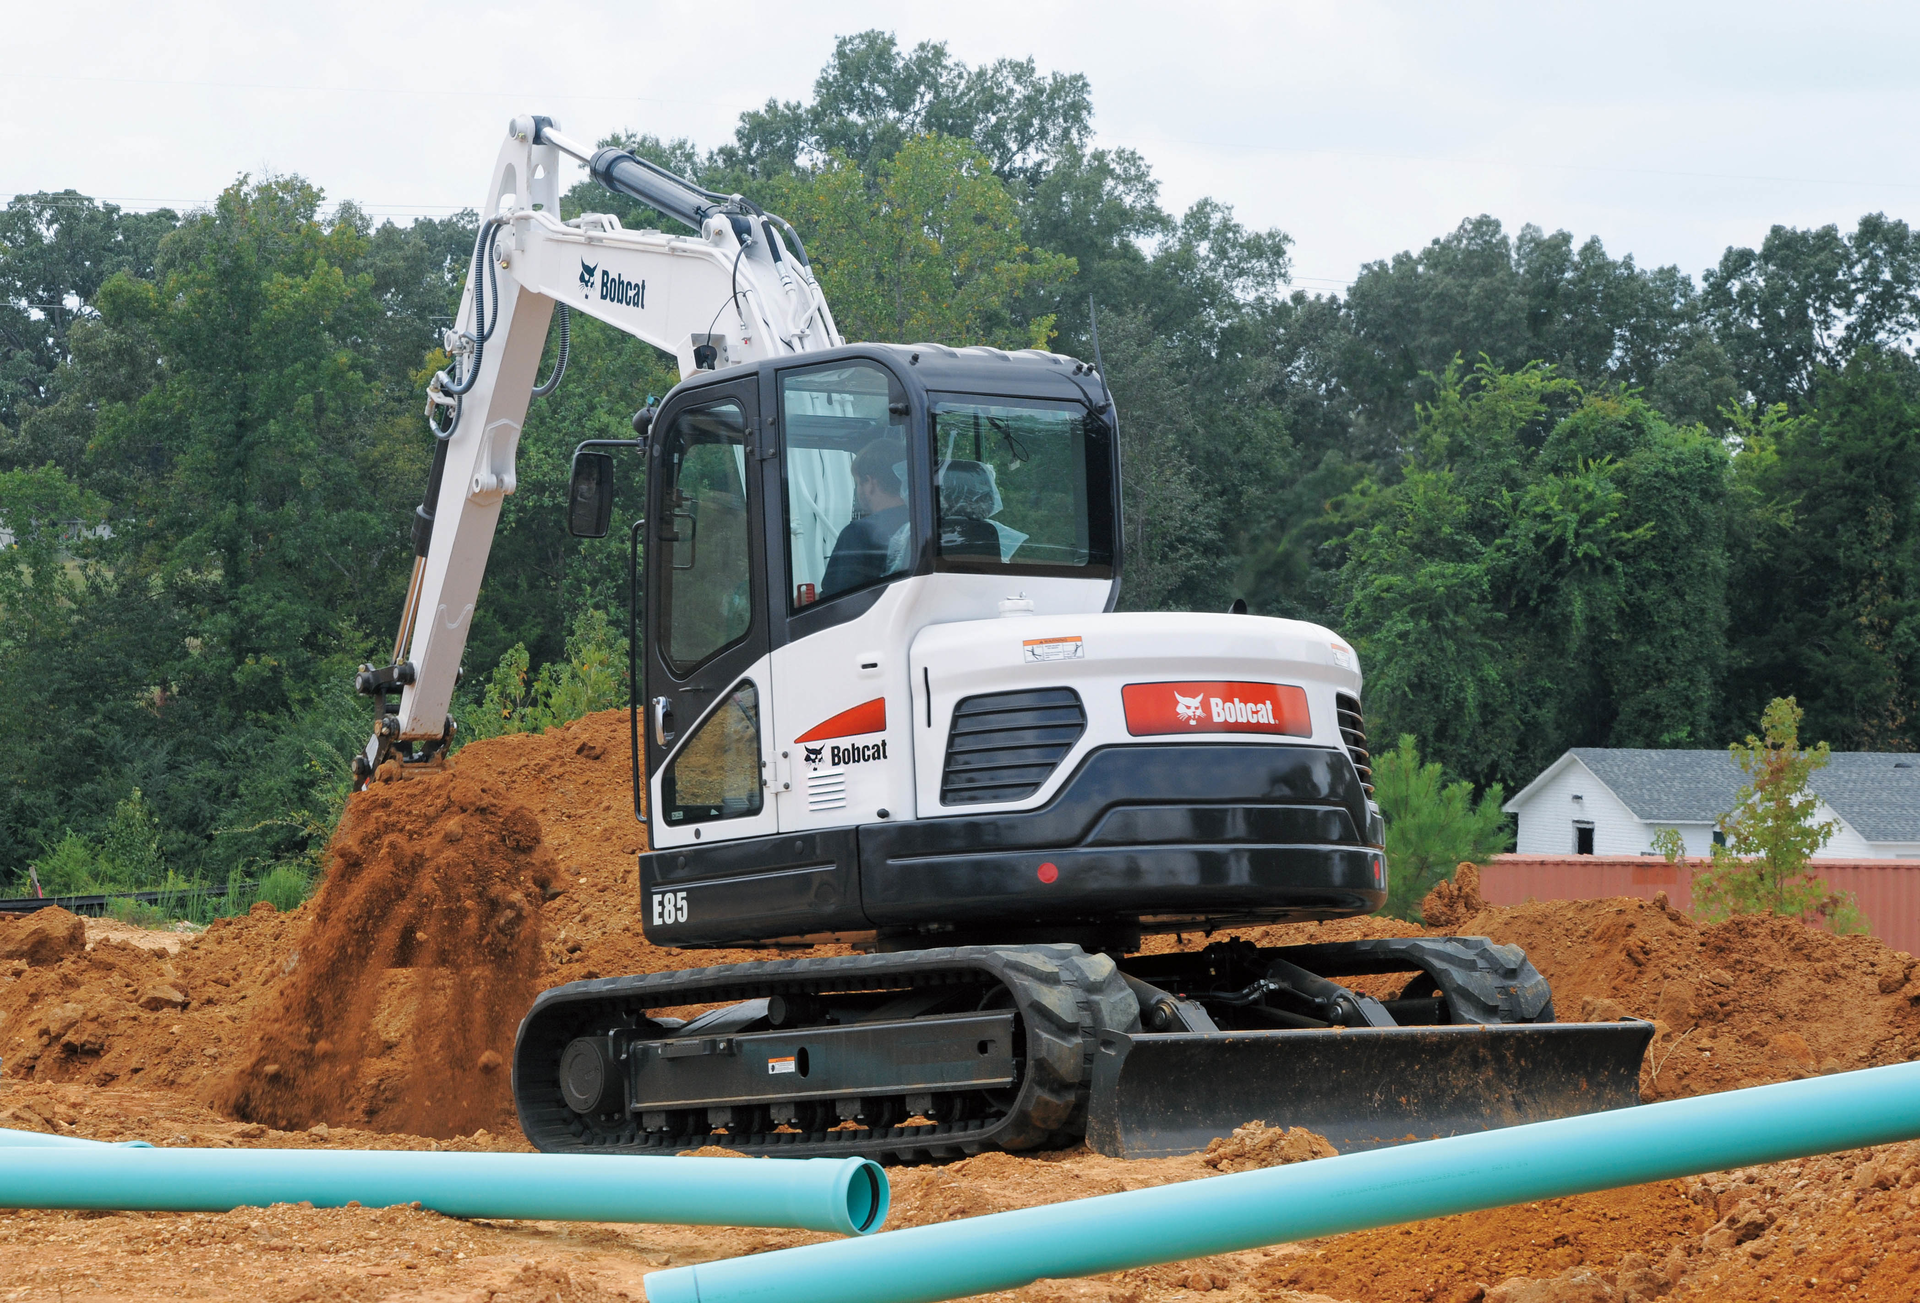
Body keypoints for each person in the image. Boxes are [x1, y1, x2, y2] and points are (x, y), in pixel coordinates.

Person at [821, 438, 909, 597]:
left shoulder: (859, 533)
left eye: (858, 483)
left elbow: (836, 603)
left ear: (869, 482)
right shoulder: (924, 524)